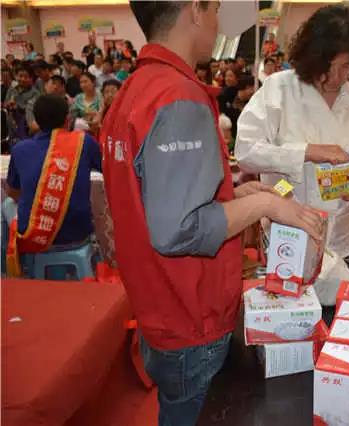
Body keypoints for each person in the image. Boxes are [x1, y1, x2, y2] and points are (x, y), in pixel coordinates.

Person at [102, 3, 324, 424]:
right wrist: (264, 204)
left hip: (158, 306)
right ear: (195, 10)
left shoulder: (134, 90)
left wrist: (233, 195)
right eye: (216, 8)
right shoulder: (177, 97)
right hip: (190, 314)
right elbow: (178, 230)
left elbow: (157, 198)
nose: (218, 21)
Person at [236, 5, 349, 300]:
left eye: (345, 67)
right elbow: (246, 151)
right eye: (327, 67)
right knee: (291, 318)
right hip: (289, 238)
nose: (335, 77)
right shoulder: (279, 88)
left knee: (342, 316)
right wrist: (307, 152)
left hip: (346, 238)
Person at [3, 94, 101, 278]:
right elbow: (106, 168)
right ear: (67, 119)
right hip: (77, 233)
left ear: (36, 122)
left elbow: (13, 192)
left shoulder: (20, 149)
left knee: (6, 205)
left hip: (35, 236)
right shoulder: (84, 143)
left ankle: (11, 273)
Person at [4, 66, 40, 140]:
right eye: (20, 76)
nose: (23, 79)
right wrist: (8, 105)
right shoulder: (12, 89)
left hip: (26, 126)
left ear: (31, 78)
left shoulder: (35, 93)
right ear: (16, 76)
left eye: (26, 77)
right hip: (11, 122)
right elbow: (5, 103)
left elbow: (32, 111)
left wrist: (18, 107)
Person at [219, 74, 254, 138]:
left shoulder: (252, 103)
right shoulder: (226, 94)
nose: (253, 92)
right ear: (246, 87)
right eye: (251, 88)